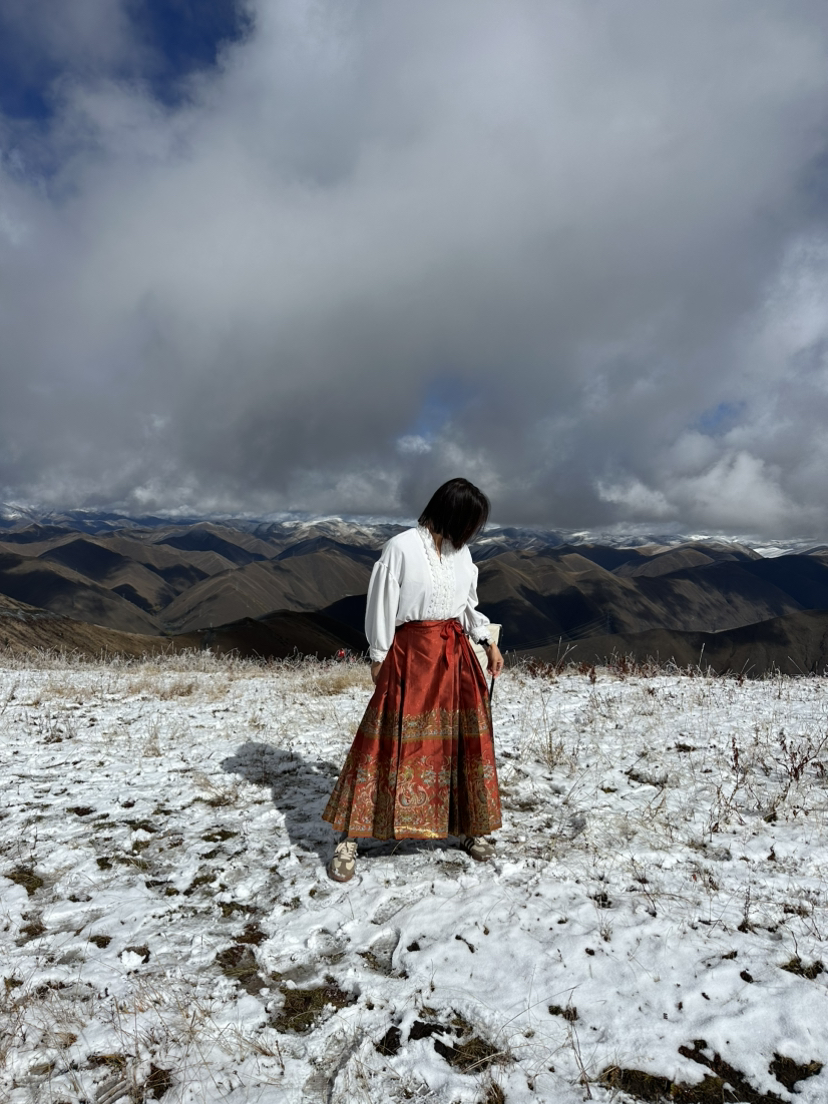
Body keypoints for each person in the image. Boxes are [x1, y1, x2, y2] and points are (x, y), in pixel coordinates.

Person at [322, 477, 505, 882]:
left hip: (455, 657)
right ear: (453, 513)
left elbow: (467, 607)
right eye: (470, 521)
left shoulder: (461, 554)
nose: (472, 531)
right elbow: (382, 604)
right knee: (382, 744)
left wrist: (489, 643)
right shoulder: (401, 548)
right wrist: (378, 656)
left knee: (462, 742)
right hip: (410, 656)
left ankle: (469, 826)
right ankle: (350, 837)